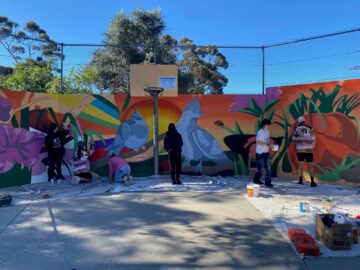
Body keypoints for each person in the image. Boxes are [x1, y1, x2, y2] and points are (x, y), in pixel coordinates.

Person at [292, 116, 317, 187]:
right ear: (304, 121)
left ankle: (300, 180)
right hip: (308, 149)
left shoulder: (296, 129)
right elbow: (313, 138)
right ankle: (312, 182)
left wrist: (300, 139)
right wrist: (312, 147)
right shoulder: (310, 128)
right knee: (310, 165)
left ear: (299, 122)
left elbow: (294, 139)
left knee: (301, 164)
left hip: (299, 149)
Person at [253, 119, 273, 188]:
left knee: (268, 168)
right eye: (268, 125)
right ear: (265, 125)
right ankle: (256, 179)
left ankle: (268, 182)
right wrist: (267, 144)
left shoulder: (268, 132)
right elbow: (258, 142)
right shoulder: (260, 132)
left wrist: (271, 145)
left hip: (266, 152)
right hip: (260, 153)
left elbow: (268, 141)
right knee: (260, 168)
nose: (269, 126)